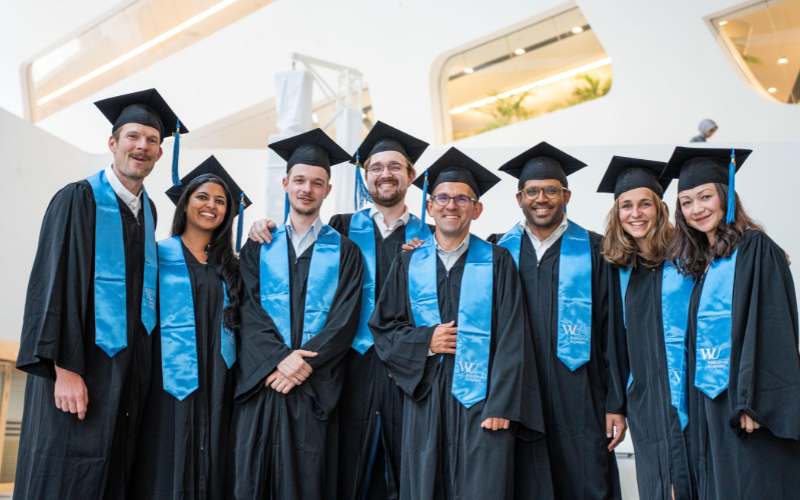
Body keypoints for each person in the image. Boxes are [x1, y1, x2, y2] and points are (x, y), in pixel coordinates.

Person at [14, 88, 185, 499]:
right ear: (112, 143)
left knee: (113, 471)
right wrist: (64, 368)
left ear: (160, 154)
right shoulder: (78, 199)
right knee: (67, 471)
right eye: (133, 136)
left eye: (151, 140)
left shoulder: (148, 212)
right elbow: (51, 284)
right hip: (79, 369)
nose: (141, 146)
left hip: (125, 375)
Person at [248, 121, 431, 499]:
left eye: (395, 167)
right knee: (344, 464)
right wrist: (260, 225)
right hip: (350, 365)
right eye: (376, 168)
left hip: (409, 368)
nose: (385, 175)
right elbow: (298, 248)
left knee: (410, 465)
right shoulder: (342, 228)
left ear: (411, 176)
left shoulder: (429, 235)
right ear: (365, 176)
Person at [369, 147, 551, 500]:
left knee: (483, 488)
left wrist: (502, 403)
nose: (452, 205)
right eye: (443, 198)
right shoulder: (408, 262)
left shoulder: (497, 261)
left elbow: (514, 336)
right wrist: (425, 341)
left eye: (462, 199)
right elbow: (384, 328)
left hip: (483, 403)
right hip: (426, 398)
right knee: (426, 485)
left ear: (477, 209)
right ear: (430, 206)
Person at [233, 128, 364, 500]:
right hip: (264, 381)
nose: (307, 189)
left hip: (313, 386)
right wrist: (278, 360)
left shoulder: (345, 252)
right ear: (286, 183)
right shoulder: (261, 243)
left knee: (308, 481)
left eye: (317, 183)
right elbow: (247, 308)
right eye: (301, 180)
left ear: (327, 190)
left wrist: (301, 364)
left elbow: (344, 319)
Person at [491, 142, 626, 500]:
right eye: (532, 191)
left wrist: (616, 403)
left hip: (580, 391)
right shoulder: (495, 251)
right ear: (519, 198)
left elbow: (612, 330)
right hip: (518, 392)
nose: (542, 198)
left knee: (583, 479)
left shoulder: (596, 249)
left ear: (566, 195)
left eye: (551, 190)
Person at [663, 146, 800, 499]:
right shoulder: (705, 263)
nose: (697, 209)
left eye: (705, 197)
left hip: (747, 405)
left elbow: (773, 326)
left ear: (726, 195)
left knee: (753, 482)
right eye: (687, 202)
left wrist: (754, 400)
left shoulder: (757, 249)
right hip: (712, 400)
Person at [132, 156, 249, 499]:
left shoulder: (234, 269)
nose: (210, 206)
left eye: (220, 200)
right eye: (202, 197)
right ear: (185, 204)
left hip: (219, 384)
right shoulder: (154, 256)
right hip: (165, 383)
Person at [598, 156, 694, 499]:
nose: (635, 213)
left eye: (644, 204)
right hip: (645, 399)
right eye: (626, 205)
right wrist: (617, 405)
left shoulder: (689, 255)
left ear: (660, 208)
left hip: (690, 393)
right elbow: (614, 343)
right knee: (656, 484)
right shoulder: (616, 266)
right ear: (616, 212)